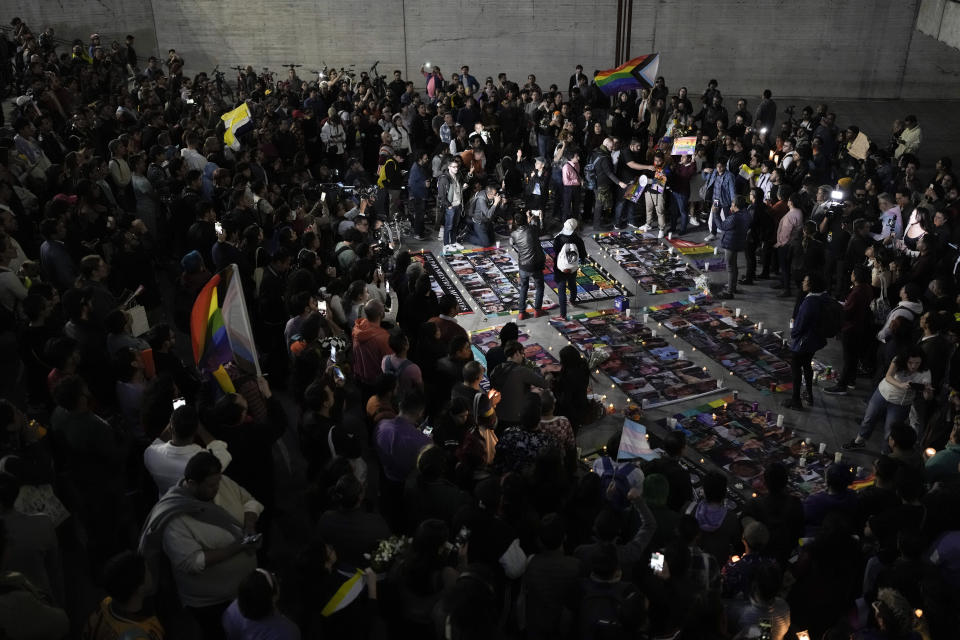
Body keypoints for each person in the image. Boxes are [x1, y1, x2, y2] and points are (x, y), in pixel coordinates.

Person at [138, 452, 260, 640]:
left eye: (218, 482)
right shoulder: (175, 519)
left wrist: (249, 525)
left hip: (243, 590)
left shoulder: (221, 481)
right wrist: (240, 546)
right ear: (192, 483)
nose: (217, 488)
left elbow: (249, 501)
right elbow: (193, 562)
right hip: (213, 603)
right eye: (211, 486)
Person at [845, 347, 933, 450]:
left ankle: (886, 453)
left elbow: (927, 398)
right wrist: (901, 385)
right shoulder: (898, 360)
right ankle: (859, 441)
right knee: (868, 419)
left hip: (901, 403)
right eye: (910, 362)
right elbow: (888, 376)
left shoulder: (925, 372)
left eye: (917, 363)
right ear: (905, 360)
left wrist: (928, 392)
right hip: (882, 393)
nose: (913, 366)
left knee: (890, 431)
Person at [143, 404, 233, 495]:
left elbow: (158, 442)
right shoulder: (208, 462)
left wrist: (174, 421)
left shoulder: (150, 454)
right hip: (196, 507)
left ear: (170, 428)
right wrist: (200, 429)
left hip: (165, 504)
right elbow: (222, 451)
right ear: (196, 431)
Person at [81, 550, 165, 639]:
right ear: (139, 588)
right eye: (147, 570)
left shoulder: (105, 603)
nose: (150, 572)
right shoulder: (139, 636)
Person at [782, 272, 831, 411]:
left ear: (811, 285)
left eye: (805, 281)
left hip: (805, 340)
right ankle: (809, 394)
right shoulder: (823, 297)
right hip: (816, 339)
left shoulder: (810, 302)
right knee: (807, 365)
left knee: (796, 367)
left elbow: (800, 325)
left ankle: (796, 400)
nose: (803, 283)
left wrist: (794, 333)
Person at [824, 265, 874, 395]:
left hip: (851, 328)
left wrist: (840, 307)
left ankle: (841, 385)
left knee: (848, 358)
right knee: (854, 357)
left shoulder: (857, 292)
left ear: (856, 276)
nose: (851, 275)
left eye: (852, 273)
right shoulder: (867, 288)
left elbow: (848, 313)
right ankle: (851, 380)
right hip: (861, 326)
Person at [222, 568, 300, 640]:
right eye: (274, 579)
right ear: (273, 598)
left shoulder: (231, 611)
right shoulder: (287, 632)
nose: (273, 575)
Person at [490, 340, 547, 428]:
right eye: (522, 354)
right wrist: (545, 374)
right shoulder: (521, 371)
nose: (523, 357)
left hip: (498, 416)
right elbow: (544, 384)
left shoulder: (495, 369)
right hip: (516, 418)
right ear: (516, 353)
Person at [510, 210, 547, 320]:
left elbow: (512, 244)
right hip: (536, 264)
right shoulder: (532, 229)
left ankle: (521, 312)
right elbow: (542, 230)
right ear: (526, 220)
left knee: (523, 287)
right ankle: (537, 310)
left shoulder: (513, 234)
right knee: (540, 286)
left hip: (523, 265)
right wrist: (540, 219)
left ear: (515, 222)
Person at [716, 195, 751, 299]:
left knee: (731, 267)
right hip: (739, 242)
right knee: (734, 266)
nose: (731, 205)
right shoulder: (746, 214)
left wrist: (715, 213)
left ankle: (729, 292)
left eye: (732, 204)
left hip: (730, 244)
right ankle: (733, 287)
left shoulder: (735, 217)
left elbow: (722, 226)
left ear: (735, 205)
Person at [552, 218, 586, 318]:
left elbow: (555, 250)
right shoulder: (578, 239)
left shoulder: (558, 238)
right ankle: (572, 300)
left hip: (560, 267)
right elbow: (583, 253)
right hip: (573, 266)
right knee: (572, 283)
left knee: (561, 290)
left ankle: (563, 315)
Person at [701, 159, 736, 242]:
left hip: (726, 201)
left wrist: (733, 203)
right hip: (716, 200)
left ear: (725, 166)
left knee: (728, 218)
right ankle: (713, 234)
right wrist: (704, 171)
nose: (719, 168)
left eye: (721, 166)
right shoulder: (714, 173)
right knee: (714, 216)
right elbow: (705, 178)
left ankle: (730, 235)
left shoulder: (729, 176)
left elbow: (732, 190)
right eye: (717, 166)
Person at [437, 157, 463, 248]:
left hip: (457, 204)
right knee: (449, 226)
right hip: (451, 205)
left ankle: (453, 242)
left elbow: (456, 190)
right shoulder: (444, 178)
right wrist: (448, 206)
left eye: (457, 167)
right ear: (449, 167)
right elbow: (441, 195)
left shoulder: (457, 176)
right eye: (454, 167)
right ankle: (446, 244)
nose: (456, 168)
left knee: (455, 225)